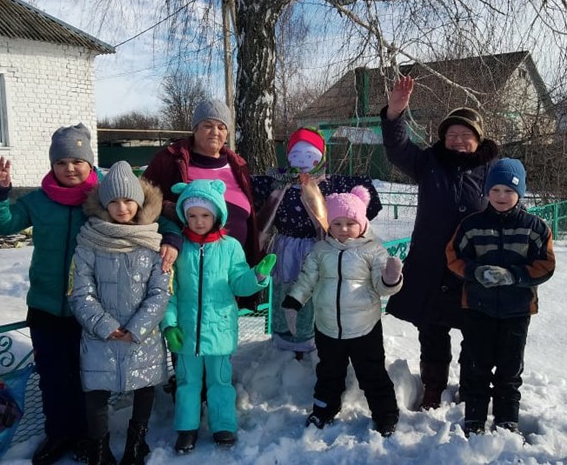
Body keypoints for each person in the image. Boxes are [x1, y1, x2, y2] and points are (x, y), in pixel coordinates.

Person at [0, 124, 100, 464]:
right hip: (45, 307)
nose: (69, 168)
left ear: (89, 163)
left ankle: (89, 435)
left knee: (88, 375)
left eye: (77, 161)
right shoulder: (38, 200)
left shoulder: (103, 199)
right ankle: (59, 434)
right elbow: (4, 223)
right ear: (52, 165)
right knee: (52, 376)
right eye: (61, 162)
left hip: (90, 308)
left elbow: (137, 217)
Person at [381, 75, 500, 410]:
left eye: (465, 135)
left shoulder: (492, 170)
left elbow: (509, 203)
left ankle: (470, 387)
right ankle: (433, 386)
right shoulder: (428, 163)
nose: (458, 141)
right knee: (432, 328)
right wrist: (395, 114)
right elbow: (397, 149)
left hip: (473, 267)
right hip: (431, 263)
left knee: (475, 330)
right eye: (452, 135)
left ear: (478, 139)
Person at [162, 179, 276, 453]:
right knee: (187, 383)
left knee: (220, 382)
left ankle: (223, 425)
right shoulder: (179, 248)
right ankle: (186, 428)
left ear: (217, 215)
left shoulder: (230, 247)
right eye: (192, 215)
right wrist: (169, 325)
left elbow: (239, 283)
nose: (198, 221)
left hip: (219, 331)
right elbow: (170, 292)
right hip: (186, 332)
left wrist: (258, 275)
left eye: (205, 215)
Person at [69, 161, 171, 465]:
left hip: (142, 335)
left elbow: (161, 291)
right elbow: (79, 291)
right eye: (113, 201)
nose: (122, 207)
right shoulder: (88, 242)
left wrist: (137, 327)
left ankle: (136, 443)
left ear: (139, 202)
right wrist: (104, 325)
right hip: (99, 335)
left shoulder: (153, 244)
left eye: (128, 200)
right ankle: (99, 448)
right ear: (104, 204)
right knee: (95, 393)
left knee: (144, 386)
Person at [281, 186, 403, 436]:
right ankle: (324, 409)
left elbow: (381, 287)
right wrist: (294, 302)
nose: (344, 229)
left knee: (372, 373)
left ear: (362, 223)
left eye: (350, 223)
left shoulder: (373, 250)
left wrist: (390, 279)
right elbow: (306, 280)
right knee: (328, 372)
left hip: (364, 328)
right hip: (327, 327)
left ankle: (386, 415)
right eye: (337, 223)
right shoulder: (320, 251)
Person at [446, 158, 555, 436]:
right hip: (477, 307)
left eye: (508, 190)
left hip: (517, 310)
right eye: (495, 190)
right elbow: (454, 257)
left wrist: (513, 276)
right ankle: (474, 421)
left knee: (510, 369)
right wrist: (475, 271)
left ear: (520, 192)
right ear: (487, 191)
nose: (501, 196)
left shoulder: (535, 227)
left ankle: (507, 420)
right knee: (477, 367)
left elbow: (546, 265)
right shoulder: (471, 225)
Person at [252, 127, 382, 355]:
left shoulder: (328, 185)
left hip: (316, 247)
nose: (302, 161)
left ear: (322, 157)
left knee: (313, 289)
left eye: (310, 155)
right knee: (284, 287)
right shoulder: (278, 182)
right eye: (296, 155)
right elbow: (244, 190)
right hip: (284, 247)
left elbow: (360, 201)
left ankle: (307, 335)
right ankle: (282, 334)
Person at [143, 98, 260, 279]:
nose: (215, 132)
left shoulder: (238, 165)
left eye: (221, 127)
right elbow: (141, 196)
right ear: (195, 128)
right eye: (207, 125)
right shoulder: (170, 159)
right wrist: (166, 208)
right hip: (189, 269)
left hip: (235, 270)